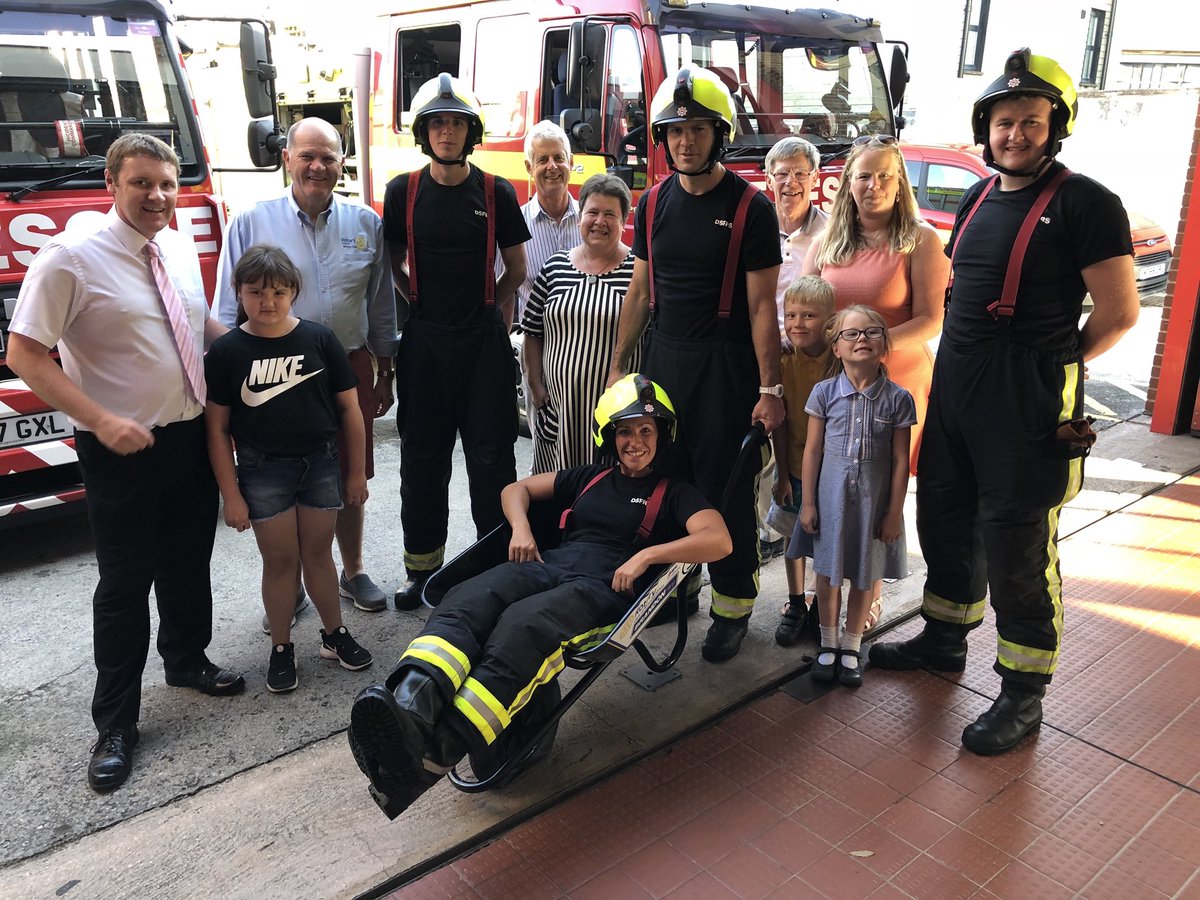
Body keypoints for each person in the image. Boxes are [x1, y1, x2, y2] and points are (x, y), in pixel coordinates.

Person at [870, 50, 1139, 754]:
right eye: (1003, 121)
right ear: (985, 127)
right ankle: (943, 639)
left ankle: (1023, 694)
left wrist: (1052, 364)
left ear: (1056, 127)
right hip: (957, 388)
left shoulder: (1088, 203)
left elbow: (1118, 315)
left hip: (1025, 401)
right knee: (946, 519)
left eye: (1030, 121)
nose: (1014, 133)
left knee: (1017, 546)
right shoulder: (981, 193)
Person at [346, 374, 731, 818]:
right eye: (625, 430)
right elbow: (516, 490)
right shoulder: (589, 478)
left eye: (647, 430)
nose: (636, 441)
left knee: (522, 626)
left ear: (662, 435)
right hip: (549, 566)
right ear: (609, 435)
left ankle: (435, 756)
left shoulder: (676, 493)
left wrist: (648, 556)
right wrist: (523, 529)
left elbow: (718, 540)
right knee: (470, 597)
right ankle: (410, 710)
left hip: (603, 590)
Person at [6, 133, 245, 793]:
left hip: (188, 436)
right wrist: (101, 419)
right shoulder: (71, 258)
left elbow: (195, 328)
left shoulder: (174, 243)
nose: (159, 196)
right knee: (124, 586)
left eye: (167, 184)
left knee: (187, 558)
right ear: (113, 183)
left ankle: (187, 659)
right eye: (143, 183)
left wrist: (253, 357)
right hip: (119, 448)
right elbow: (25, 354)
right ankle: (115, 725)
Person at [608, 67, 783, 662]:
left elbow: (763, 308)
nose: (686, 140)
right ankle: (676, 588)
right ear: (662, 138)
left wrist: (770, 386)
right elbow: (639, 292)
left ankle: (732, 606)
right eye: (675, 130)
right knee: (665, 484)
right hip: (664, 364)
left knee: (726, 490)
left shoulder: (751, 209)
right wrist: (619, 367)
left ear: (719, 134)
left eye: (699, 129)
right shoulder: (653, 202)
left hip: (726, 370)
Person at [216, 118, 397, 626]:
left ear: (343, 163)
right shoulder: (252, 222)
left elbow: (380, 302)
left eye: (329, 158)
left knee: (350, 473)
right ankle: (289, 580)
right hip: (271, 367)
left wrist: (385, 369)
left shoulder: (366, 223)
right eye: (307, 156)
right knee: (278, 475)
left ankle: (353, 569)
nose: (318, 166)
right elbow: (228, 309)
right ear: (287, 159)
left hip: (350, 362)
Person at [383, 74, 531, 609]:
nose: (447, 131)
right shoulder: (404, 190)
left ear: (472, 132)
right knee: (423, 461)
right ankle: (420, 570)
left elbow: (516, 267)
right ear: (424, 132)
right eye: (438, 123)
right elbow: (393, 260)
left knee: (492, 460)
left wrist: (487, 304)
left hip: (482, 346)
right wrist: (416, 301)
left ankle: (491, 568)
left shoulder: (497, 191)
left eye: (458, 123)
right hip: (424, 345)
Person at [205, 246, 373, 692]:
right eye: (256, 291)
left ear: (294, 292)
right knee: (279, 561)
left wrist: (355, 473)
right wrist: (232, 495)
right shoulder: (226, 351)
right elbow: (218, 430)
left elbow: (350, 410)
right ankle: (281, 646)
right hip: (262, 472)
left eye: (279, 291)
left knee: (318, 554)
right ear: (239, 292)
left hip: (320, 463)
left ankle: (334, 635)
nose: (268, 301)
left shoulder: (319, 339)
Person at [802, 134, 949, 476]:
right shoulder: (825, 243)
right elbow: (804, 309)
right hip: (834, 382)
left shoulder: (921, 239)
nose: (874, 185)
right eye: (864, 176)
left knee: (882, 494)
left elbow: (931, 320)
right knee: (834, 485)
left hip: (896, 384)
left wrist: (867, 349)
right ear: (848, 184)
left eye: (885, 176)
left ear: (900, 183)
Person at [795, 306, 914, 687]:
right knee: (827, 574)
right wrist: (809, 503)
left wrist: (894, 512)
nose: (861, 339)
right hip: (831, 501)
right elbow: (812, 451)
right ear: (836, 347)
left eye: (871, 332)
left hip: (872, 505)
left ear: (884, 344)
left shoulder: (898, 399)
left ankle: (851, 644)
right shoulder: (824, 393)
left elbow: (899, 460)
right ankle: (828, 643)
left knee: (865, 574)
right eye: (851, 334)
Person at [522, 174, 636, 474]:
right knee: (556, 493)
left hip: (616, 414)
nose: (599, 221)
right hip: (559, 413)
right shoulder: (555, 266)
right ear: (580, 217)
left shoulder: (639, 272)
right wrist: (535, 386)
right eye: (592, 212)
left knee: (607, 491)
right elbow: (532, 330)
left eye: (610, 214)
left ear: (624, 219)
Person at [758, 136, 829, 559]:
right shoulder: (756, 224)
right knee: (764, 445)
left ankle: (793, 534)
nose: (791, 183)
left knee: (803, 443)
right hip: (765, 355)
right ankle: (767, 531)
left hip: (809, 360)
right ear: (769, 179)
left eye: (800, 173)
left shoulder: (831, 231)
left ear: (814, 178)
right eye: (782, 174)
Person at [770, 276, 835, 647]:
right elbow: (780, 423)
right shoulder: (783, 361)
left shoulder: (840, 360)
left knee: (827, 542)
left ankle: (822, 608)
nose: (797, 323)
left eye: (808, 315)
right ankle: (796, 603)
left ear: (830, 321)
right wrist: (780, 474)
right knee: (791, 539)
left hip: (832, 474)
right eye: (790, 314)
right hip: (793, 468)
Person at [514, 120, 580, 323]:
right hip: (535, 347)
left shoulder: (592, 222)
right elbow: (504, 297)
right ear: (529, 167)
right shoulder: (514, 226)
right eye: (543, 160)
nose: (552, 166)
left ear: (570, 162)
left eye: (559, 158)